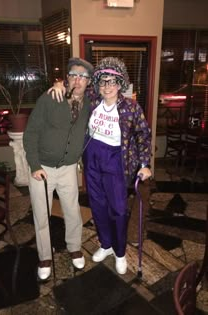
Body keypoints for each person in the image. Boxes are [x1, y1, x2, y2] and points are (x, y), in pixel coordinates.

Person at [50, 57, 152, 275]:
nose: (108, 86)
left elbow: (143, 135)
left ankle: (120, 252)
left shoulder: (131, 107)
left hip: (116, 160)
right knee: (97, 205)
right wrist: (60, 84)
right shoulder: (93, 100)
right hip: (92, 157)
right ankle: (106, 245)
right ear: (98, 84)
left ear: (121, 84)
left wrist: (144, 164)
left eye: (112, 81)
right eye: (103, 81)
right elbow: (75, 87)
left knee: (118, 209)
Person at [23, 57, 94, 281]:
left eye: (83, 76)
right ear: (67, 78)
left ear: (89, 82)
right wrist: (34, 165)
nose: (78, 80)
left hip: (68, 168)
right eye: (73, 75)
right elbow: (31, 132)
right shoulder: (51, 98)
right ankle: (44, 257)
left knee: (73, 211)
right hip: (42, 168)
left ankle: (74, 247)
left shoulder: (90, 104)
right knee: (41, 214)